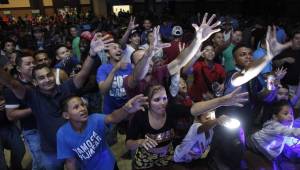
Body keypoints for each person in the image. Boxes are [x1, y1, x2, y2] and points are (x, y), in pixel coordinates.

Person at [0, 33, 112, 169]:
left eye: (49, 75)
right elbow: (13, 83)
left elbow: (83, 74)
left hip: (75, 146)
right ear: (35, 82)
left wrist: (92, 54)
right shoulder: (32, 96)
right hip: (51, 150)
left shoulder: (66, 87)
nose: (47, 80)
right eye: (41, 78)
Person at [126, 84, 248, 169]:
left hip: (166, 154)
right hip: (145, 156)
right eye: (157, 100)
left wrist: (221, 101)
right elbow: (128, 143)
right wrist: (140, 141)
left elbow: (194, 109)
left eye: (164, 98)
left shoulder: (170, 110)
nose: (163, 103)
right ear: (148, 103)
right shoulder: (140, 117)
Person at [57, 94, 148, 170]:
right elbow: (70, 162)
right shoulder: (62, 134)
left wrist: (126, 109)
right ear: (66, 115)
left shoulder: (95, 119)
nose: (82, 108)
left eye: (83, 105)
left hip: (110, 165)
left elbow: (113, 117)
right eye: (76, 107)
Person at [247, 100, 300, 169]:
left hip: (265, 148)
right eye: (286, 114)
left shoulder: (285, 126)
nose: (290, 116)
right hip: (256, 143)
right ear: (275, 117)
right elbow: (290, 131)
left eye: (291, 114)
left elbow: (289, 132)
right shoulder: (276, 126)